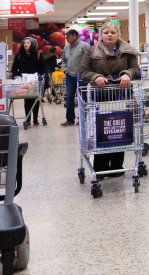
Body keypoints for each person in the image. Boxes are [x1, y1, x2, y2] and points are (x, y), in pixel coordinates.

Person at [79, 23, 141, 177]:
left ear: (118, 34)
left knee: (121, 128)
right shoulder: (91, 51)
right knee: (103, 130)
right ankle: (100, 168)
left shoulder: (128, 50)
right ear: (101, 34)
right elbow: (83, 71)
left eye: (113, 32)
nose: (109, 35)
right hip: (100, 97)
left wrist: (127, 74)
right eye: (106, 32)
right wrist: (96, 76)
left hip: (122, 95)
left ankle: (117, 167)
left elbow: (136, 69)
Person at [11, 38, 44, 128]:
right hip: (24, 81)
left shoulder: (38, 55)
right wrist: (17, 75)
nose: (25, 44)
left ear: (32, 44)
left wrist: (40, 75)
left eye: (28, 43)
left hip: (35, 80)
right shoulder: (19, 55)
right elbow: (14, 68)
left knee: (35, 99)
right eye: (24, 43)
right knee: (27, 99)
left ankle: (35, 118)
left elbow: (43, 68)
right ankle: (28, 118)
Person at [60, 29, 89, 126]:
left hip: (81, 76)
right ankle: (70, 119)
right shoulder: (66, 47)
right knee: (69, 97)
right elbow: (63, 60)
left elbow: (90, 59)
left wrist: (86, 72)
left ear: (75, 36)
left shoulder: (84, 45)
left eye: (68, 36)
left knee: (82, 98)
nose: (66, 38)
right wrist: (64, 69)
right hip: (70, 75)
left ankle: (83, 119)